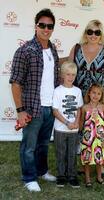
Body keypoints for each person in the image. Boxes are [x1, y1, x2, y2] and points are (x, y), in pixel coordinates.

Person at [9, 8, 59, 192]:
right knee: (29, 146)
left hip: (50, 107)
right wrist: (20, 110)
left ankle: (41, 171)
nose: (46, 29)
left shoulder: (52, 49)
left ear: (53, 28)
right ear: (36, 26)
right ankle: (29, 177)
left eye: (50, 26)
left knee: (44, 143)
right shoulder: (25, 51)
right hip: (32, 108)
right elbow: (15, 83)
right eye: (42, 25)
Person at [69, 19, 104, 178]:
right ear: (85, 33)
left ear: (101, 35)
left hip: (97, 99)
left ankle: (100, 164)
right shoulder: (76, 48)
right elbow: (68, 67)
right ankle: (84, 163)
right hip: (79, 98)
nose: (93, 35)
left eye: (97, 32)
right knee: (81, 130)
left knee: (98, 132)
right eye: (90, 31)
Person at [52, 61, 83, 188]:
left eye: (73, 75)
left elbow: (79, 109)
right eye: (68, 74)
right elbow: (55, 111)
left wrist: (76, 122)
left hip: (73, 130)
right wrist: (66, 122)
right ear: (63, 75)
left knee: (72, 153)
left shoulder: (77, 91)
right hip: (60, 129)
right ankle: (61, 175)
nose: (71, 77)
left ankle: (72, 175)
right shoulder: (58, 91)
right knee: (61, 152)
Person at [80, 83, 104, 186]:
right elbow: (81, 123)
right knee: (87, 158)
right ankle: (87, 179)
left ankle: (99, 177)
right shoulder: (84, 108)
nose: (95, 95)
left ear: (102, 96)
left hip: (99, 138)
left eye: (98, 94)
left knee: (99, 158)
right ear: (89, 93)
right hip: (87, 138)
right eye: (93, 93)